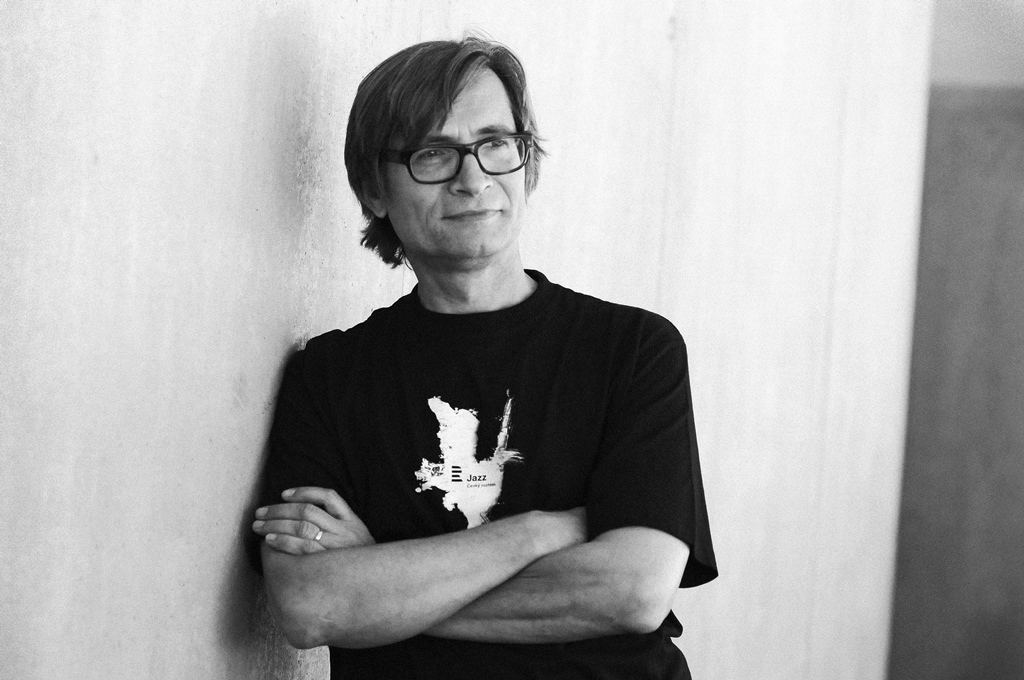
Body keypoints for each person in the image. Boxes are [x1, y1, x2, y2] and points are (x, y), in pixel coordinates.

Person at [252, 36, 717, 680]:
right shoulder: (328, 377)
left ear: (528, 165)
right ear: (373, 188)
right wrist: (537, 534)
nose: (473, 180)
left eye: (495, 143)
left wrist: (382, 583)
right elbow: (310, 606)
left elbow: (632, 592)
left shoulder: (633, 351)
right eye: (432, 154)